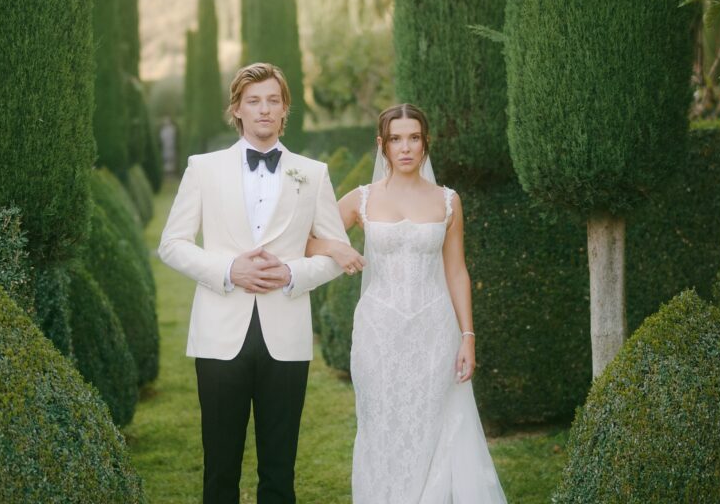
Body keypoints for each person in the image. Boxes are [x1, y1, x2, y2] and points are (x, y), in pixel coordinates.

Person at [158, 62, 349, 504]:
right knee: (219, 470)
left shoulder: (312, 173)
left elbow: (336, 252)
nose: (264, 110)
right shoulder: (203, 168)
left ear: (285, 110)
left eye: (273, 101)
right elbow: (172, 244)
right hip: (219, 335)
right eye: (254, 101)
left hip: (286, 334)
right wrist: (228, 271)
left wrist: (291, 273)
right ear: (237, 110)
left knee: (280, 471)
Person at [307, 103, 508, 503]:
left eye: (413, 138)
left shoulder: (448, 201)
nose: (405, 148)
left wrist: (467, 336)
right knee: (380, 426)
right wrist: (337, 248)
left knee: (430, 424)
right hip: (378, 331)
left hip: (434, 330)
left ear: (425, 142)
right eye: (396, 139)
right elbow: (307, 239)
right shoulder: (361, 199)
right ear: (382, 145)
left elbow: (456, 271)